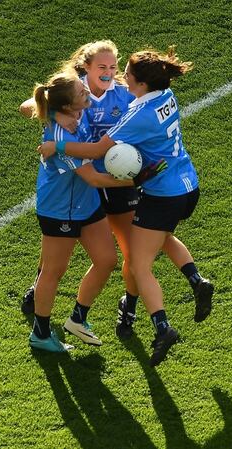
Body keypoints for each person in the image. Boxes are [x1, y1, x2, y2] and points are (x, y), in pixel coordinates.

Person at [20, 41, 214, 342]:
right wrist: (50, 117)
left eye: (115, 66)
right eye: (103, 67)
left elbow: (99, 152)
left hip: (106, 184)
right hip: (85, 186)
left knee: (125, 255)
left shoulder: (122, 92)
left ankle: (122, 310)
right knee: (57, 260)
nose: (111, 73)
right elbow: (34, 105)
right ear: (85, 68)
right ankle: (42, 306)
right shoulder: (73, 90)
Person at [28, 71, 164, 352]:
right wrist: (137, 179)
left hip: (87, 204)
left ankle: (78, 319)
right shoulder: (59, 132)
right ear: (67, 106)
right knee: (54, 271)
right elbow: (94, 178)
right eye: (81, 93)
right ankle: (40, 333)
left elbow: (38, 105)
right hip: (60, 210)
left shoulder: (74, 115)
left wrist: (56, 113)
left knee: (106, 260)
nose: (87, 93)